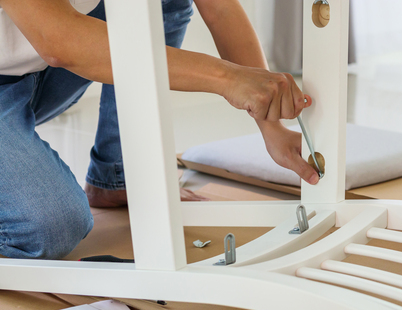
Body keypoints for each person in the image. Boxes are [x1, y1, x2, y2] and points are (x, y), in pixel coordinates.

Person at [0, 0, 319, 259]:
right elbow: (60, 40)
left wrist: (270, 124)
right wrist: (228, 79)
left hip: (36, 71)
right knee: (50, 229)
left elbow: (220, 8)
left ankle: (117, 177)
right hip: (44, 52)